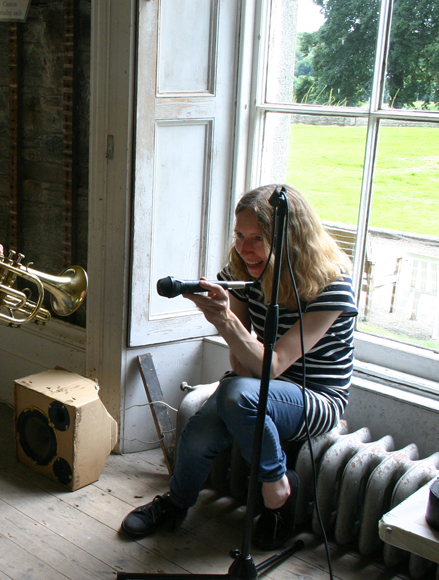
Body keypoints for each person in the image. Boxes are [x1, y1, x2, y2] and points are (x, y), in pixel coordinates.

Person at [120, 184, 357, 551]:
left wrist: (226, 322)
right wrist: (226, 319)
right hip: (254, 384)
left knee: (234, 392)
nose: (245, 249)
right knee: (201, 431)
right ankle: (176, 504)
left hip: (316, 397)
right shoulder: (242, 272)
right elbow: (242, 365)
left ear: (290, 238)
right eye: (240, 236)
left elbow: (274, 366)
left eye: (258, 239)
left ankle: (276, 484)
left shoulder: (333, 286)